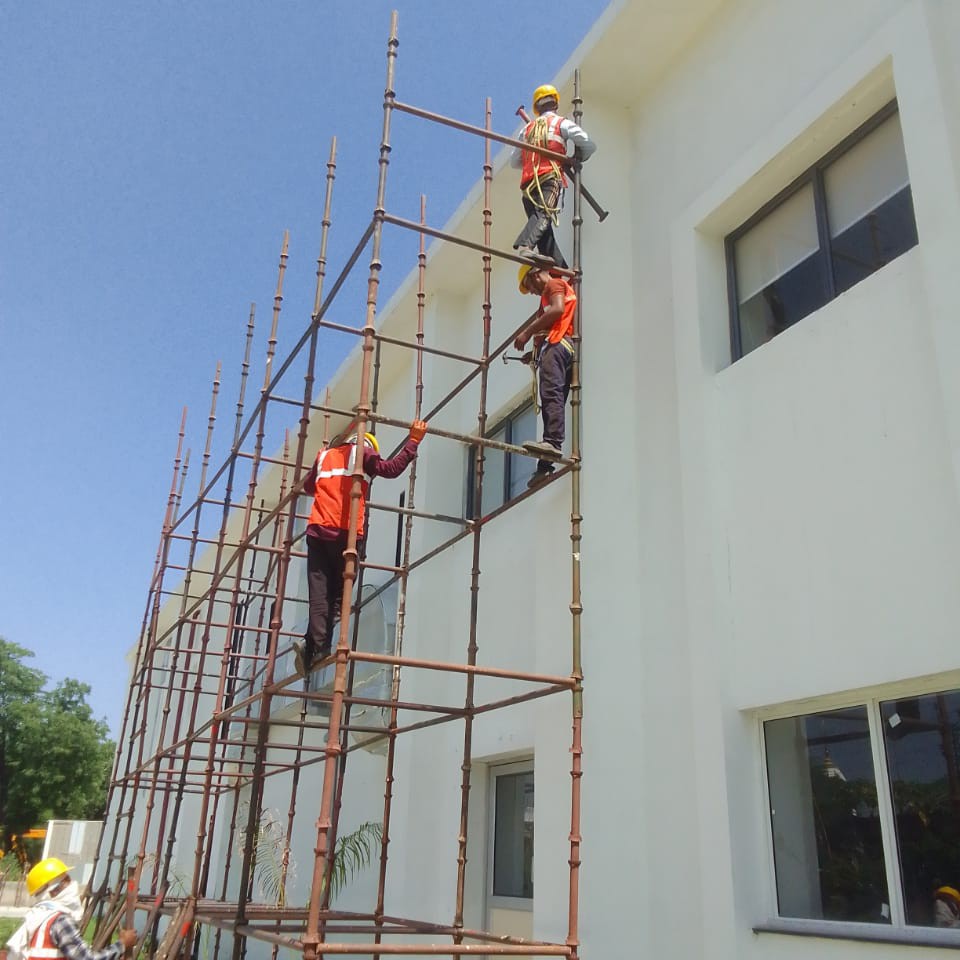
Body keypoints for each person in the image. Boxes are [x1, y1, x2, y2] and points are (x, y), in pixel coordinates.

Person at [293, 420, 428, 676]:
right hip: (346, 533)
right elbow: (390, 469)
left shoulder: (325, 456)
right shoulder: (362, 454)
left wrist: (323, 466)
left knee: (319, 592)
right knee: (339, 595)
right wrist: (413, 441)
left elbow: (309, 487)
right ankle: (316, 646)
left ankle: (313, 646)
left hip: (318, 531)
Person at [511, 83, 596, 269]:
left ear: (537, 107)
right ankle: (525, 245)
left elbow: (514, 162)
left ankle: (560, 270)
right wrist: (575, 158)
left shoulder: (527, 130)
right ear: (555, 104)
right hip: (549, 178)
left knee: (544, 231)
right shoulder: (560, 123)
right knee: (544, 215)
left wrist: (534, 157)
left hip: (528, 185)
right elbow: (588, 144)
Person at [514, 264, 577, 488]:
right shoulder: (547, 295)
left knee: (550, 394)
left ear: (534, 274)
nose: (532, 291)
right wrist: (533, 354)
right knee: (554, 398)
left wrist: (526, 332)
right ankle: (545, 464)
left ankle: (551, 444)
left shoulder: (554, 284)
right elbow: (553, 320)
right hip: (560, 346)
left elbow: (558, 310)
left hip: (558, 345)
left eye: (529, 286)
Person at [6, 858, 137, 960]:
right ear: (53, 891)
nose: (72, 884)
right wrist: (122, 944)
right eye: (66, 880)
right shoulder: (60, 921)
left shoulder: (36, 916)